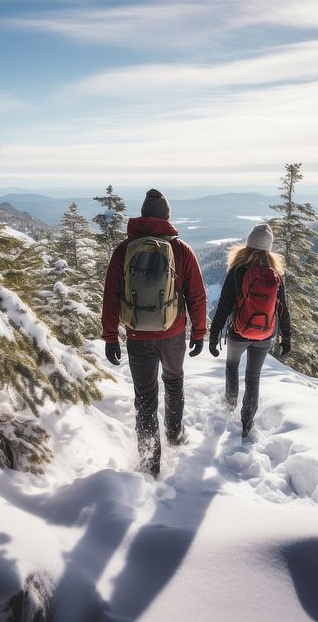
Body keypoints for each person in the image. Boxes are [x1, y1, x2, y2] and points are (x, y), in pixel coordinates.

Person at [101, 188, 208, 477]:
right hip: (172, 335)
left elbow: (111, 297)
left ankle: (150, 464)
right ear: (166, 217)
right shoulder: (181, 250)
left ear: (143, 215)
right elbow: (197, 296)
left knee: (145, 398)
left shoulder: (124, 250)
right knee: (174, 381)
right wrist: (199, 332)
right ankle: (174, 435)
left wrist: (110, 336)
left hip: (137, 337)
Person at [209, 223, 291, 438]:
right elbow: (283, 309)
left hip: (239, 333)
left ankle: (229, 406)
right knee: (253, 378)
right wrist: (286, 337)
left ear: (247, 245)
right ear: (268, 249)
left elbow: (224, 306)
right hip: (265, 335)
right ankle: (247, 423)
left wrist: (214, 334)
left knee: (232, 366)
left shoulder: (237, 271)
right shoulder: (275, 275)